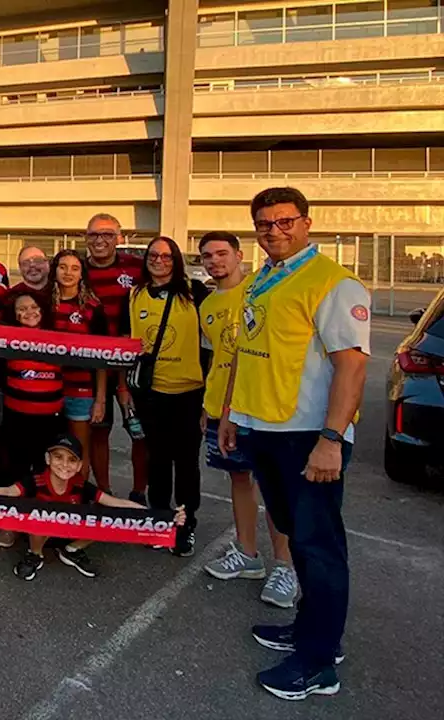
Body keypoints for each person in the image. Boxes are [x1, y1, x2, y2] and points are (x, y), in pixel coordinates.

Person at [218, 187, 369, 700]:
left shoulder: (334, 284)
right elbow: (250, 350)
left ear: (306, 223)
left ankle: (319, 663)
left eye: (284, 222)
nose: (274, 231)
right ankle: (311, 632)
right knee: (299, 541)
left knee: (319, 548)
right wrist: (232, 415)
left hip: (309, 438)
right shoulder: (265, 279)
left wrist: (331, 438)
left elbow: (352, 365)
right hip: (266, 429)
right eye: (264, 224)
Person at [198, 231, 297, 608]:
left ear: (239, 255)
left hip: (259, 404)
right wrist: (208, 409)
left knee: (274, 486)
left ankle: (285, 566)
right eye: (207, 255)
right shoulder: (207, 305)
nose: (214, 261)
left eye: (222, 253)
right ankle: (248, 555)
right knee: (239, 479)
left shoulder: (262, 289)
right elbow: (215, 359)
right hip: (221, 408)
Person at [0, 435, 185, 581]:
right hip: (39, 534)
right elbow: (8, 491)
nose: (64, 464)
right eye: (58, 457)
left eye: (72, 460)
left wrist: (163, 518)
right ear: (48, 459)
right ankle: (35, 554)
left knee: (105, 517)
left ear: (79, 466)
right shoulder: (37, 480)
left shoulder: (80, 485)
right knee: (37, 513)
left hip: (72, 532)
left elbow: (116, 503)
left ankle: (72, 550)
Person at [124, 236, 208, 557]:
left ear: (176, 260)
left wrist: (210, 399)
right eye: (153, 255)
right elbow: (125, 341)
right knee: (157, 458)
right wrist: (125, 389)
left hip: (188, 393)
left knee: (186, 462)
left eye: (167, 256)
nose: (159, 260)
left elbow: (213, 346)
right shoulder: (134, 295)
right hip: (150, 392)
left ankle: (186, 523)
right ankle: (160, 517)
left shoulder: (195, 293)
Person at [82, 213, 147, 500]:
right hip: (91, 367)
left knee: (139, 431)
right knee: (98, 432)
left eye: (107, 234)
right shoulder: (77, 270)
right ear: (86, 238)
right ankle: (104, 491)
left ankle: (139, 491)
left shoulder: (136, 268)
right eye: (94, 235)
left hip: (131, 368)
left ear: (118, 238)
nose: (100, 241)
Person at [49, 249, 109, 476]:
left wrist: (100, 399)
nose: (68, 273)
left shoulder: (92, 307)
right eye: (63, 267)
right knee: (52, 449)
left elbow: (102, 355)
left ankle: (78, 499)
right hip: (48, 388)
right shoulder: (44, 305)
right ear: (54, 270)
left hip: (81, 390)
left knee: (77, 450)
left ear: (82, 274)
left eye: (75, 268)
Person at [0, 292, 64, 480]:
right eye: (22, 309)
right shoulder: (5, 338)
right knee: (16, 469)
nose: (29, 312)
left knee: (44, 471)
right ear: (14, 314)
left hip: (50, 418)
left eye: (33, 307)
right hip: (17, 417)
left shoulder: (59, 337)